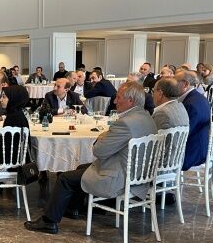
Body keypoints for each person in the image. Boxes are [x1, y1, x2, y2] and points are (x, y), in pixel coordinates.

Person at [25, 82, 156, 234]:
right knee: (81, 168)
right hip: (139, 174)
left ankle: (49, 221)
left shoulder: (125, 123)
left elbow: (98, 151)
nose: (114, 101)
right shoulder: (147, 118)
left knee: (64, 178)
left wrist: (102, 136)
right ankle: (72, 208)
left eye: (118, 97)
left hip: (119, 177)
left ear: (130, 100)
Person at [175, 70, 211, 171]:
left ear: (185, 84)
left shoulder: (190, 105)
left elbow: (183, 135)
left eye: (175, 81)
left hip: (191, 154)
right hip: (201, 149)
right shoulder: (200, 98)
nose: (172, 85)